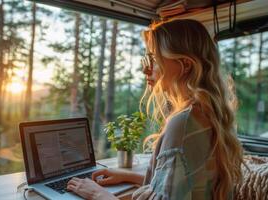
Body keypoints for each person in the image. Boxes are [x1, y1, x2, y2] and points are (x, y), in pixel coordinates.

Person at [66, 19, 244, 200]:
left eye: (153, 59)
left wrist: (97, 193)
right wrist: (127, 175)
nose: (145, 69)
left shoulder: (183, 123)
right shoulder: (212, 114)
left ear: (185, 65)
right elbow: (183, 186)